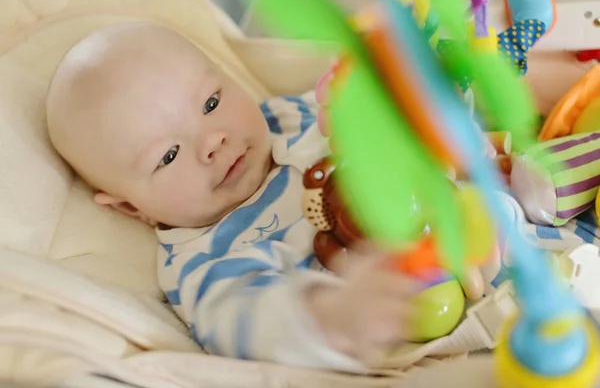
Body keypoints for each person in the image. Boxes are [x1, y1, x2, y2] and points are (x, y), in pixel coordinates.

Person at [46, 22, 490, 371]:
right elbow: (248, 320)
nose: (213, 141)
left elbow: (367, 119)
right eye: (168, 154)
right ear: (130, 207)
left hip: (486, 223)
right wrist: (336, 314)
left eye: (210, 103)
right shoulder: (204, 260)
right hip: (432, 339)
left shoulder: (288, 116)